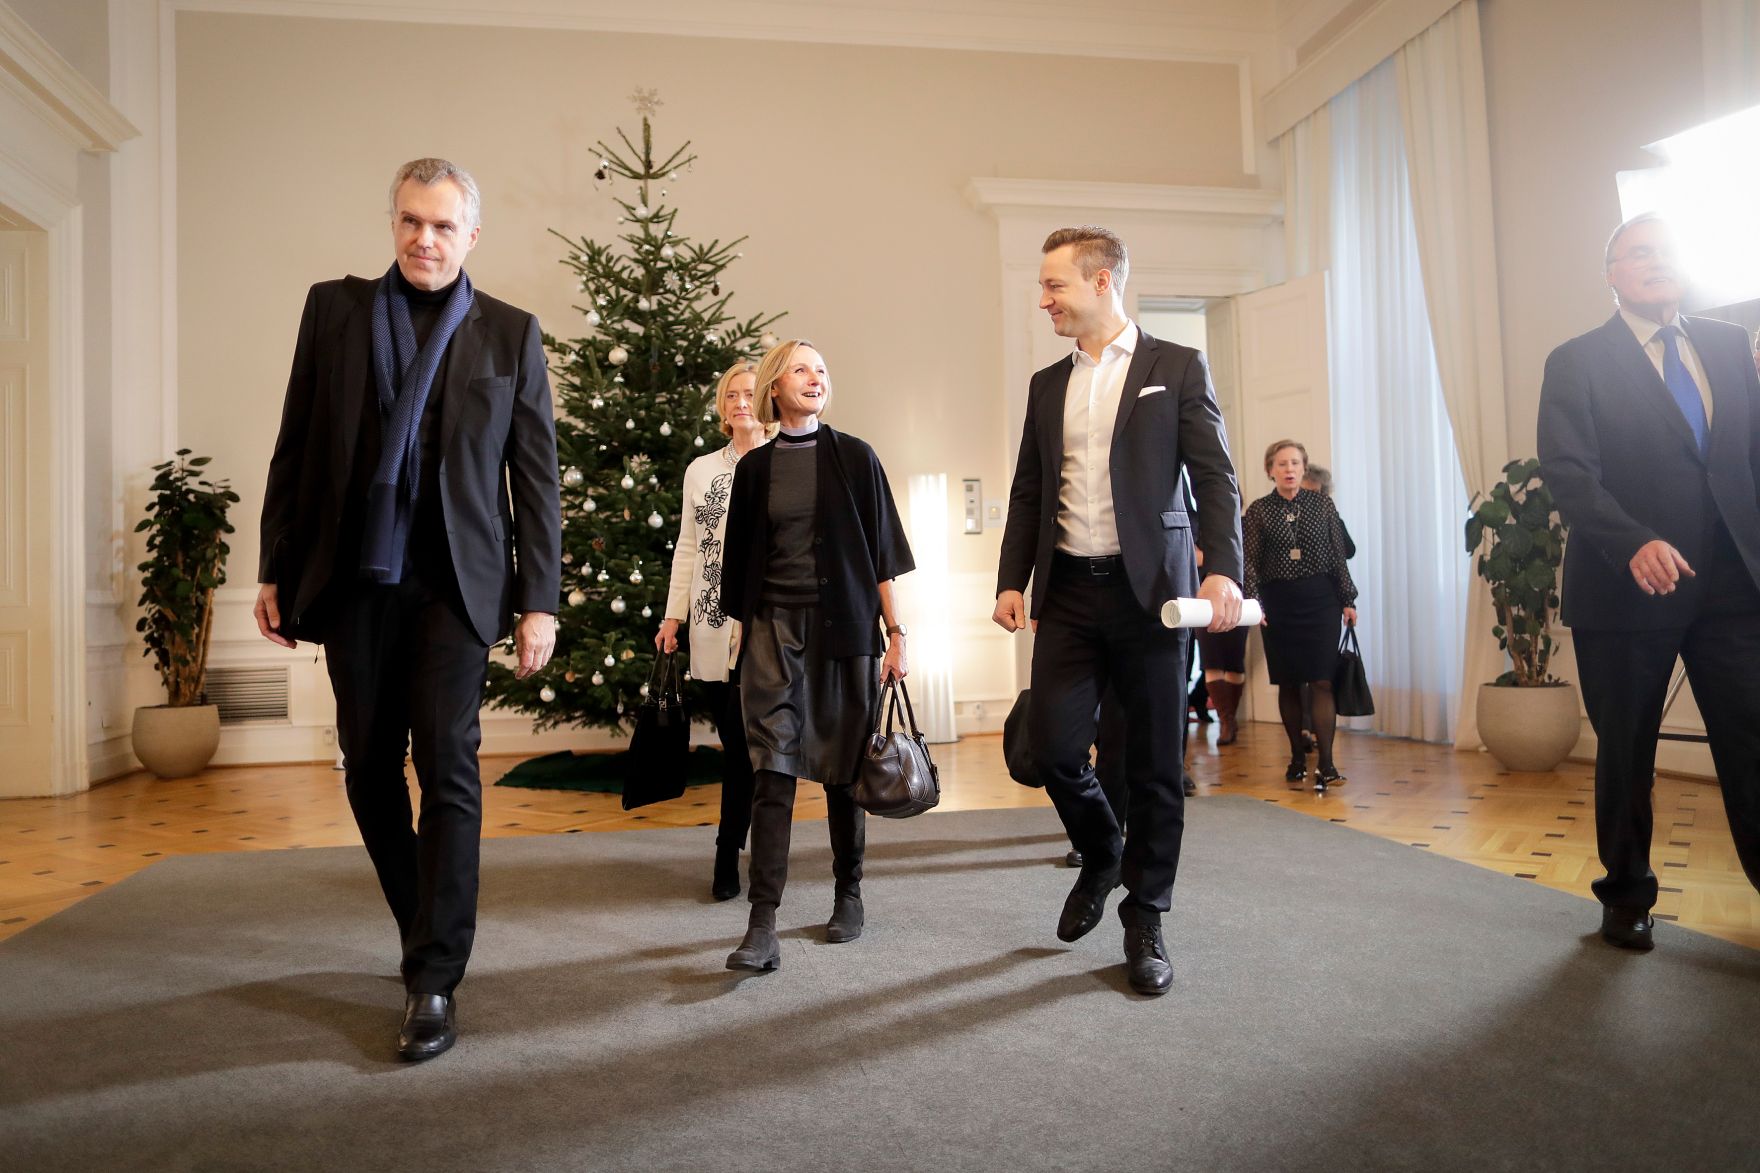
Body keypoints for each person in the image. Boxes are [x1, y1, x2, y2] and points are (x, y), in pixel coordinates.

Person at [254, 158, 560, 1062]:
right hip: (354, 578)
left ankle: (433, 976)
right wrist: (274, 566)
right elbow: (295, 442)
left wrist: (538, 599)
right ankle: (422, 918)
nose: (424, 239)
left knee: (450, 764)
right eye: (409, 222)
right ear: (394, 224)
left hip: (457, 586)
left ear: (472, 236)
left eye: (441, 225)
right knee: (366, 767)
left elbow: (534, 480)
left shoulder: (510, 333)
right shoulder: (335, 311)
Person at [994, 225, 1243, 997]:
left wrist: (1224, 571)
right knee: (1050, 745)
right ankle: (1103, 850)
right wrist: (1012, 579)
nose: (1044, 301)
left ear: (1102, 283)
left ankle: (1146, 915)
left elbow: (1216, 479)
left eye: (1054, 286)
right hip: (1067, 592)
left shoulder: (1177, 366)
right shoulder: (1046, 385)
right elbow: (1029, 488)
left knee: (1155, 765)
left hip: (1155, 599)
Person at [1537, 212, 1760, 952]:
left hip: (1732, 584)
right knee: (1628, 748)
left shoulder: (1732, 347)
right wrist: (1632, 541)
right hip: (1627, 586)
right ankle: (1625, 895)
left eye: (1665, 252)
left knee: (1753, 738)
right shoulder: (1577, 360)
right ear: (1612, 274)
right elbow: (1570, 473)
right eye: (1637, 253)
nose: (1654, 262)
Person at [718, 339, 914, 972]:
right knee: (770, 773)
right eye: (802, 369)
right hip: (774, 631)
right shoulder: (754, 469)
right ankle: (762, 922)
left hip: (845, 631)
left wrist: (896, 633)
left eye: (823, 370)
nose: (815, 378)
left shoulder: (856, 458)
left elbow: (882, 555)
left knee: (840, 770)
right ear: (775, 386)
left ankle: (847, 893)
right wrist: (740, 633)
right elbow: (739, 562)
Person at [657, 360, 771, 901]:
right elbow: (687, 545)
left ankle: (742, 852)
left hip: (771, 628)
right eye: (732, 395)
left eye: (750, 393)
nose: (741, 402)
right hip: (710, 621)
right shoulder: (701, 470)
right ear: (722, 407)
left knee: (757, 747)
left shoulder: (785, 459)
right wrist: (672, 615)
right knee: (735, 745)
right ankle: (730, 851)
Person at [1242, 440, 1357, 790]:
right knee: (1289, 681)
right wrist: (1254, 601)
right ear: (1270, 470)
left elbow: (1339, 556)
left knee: (1322, 680)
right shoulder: (1259, 512)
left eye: (1295, 463)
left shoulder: (1323, 504)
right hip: (1278, 603)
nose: (1289, 469)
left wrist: (1348, 599)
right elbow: (1249, 562)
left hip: (1321, 600)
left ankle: (1326, 763)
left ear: (1304, 468)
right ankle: (1295, 756)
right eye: (1281, 464)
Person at [1194, 544, 1249, 745]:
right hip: (1202, 597)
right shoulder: (1192, 519)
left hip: (1238, 593)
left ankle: (1230, 720)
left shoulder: (1238, 520)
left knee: (1235, 663)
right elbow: (1188, 554)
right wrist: (1222, 555)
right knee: (1211, 663)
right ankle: (1226, 723)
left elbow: (1245, 555)